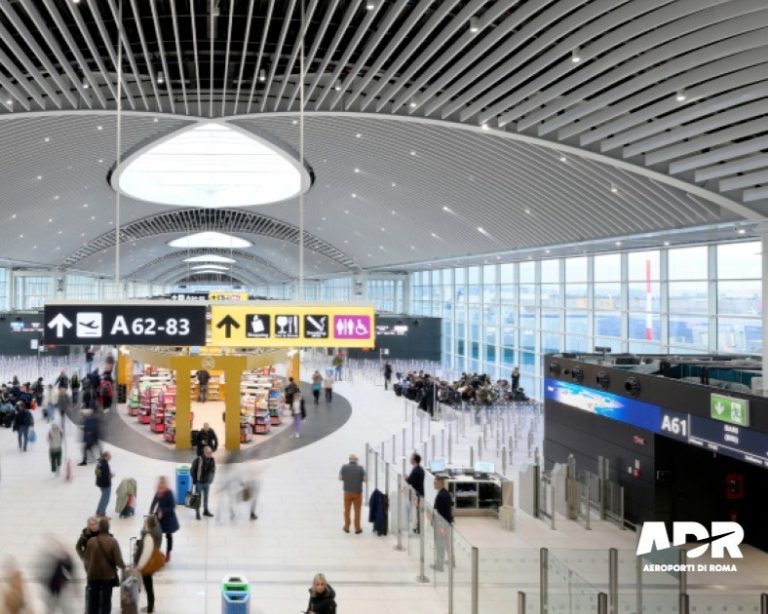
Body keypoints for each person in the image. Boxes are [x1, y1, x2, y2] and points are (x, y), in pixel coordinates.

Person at [83, 517, 125, 614]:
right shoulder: (113, 542)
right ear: (108, 528)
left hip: (93, 576)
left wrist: (88, 571)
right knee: (106, 601)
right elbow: (118, 560)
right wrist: (124, 567)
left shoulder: (91, 541)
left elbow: (86, 560)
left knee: (93, 602)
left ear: (100, 528)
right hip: (107, 577)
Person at [135, 515, 163, 613]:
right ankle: (150, 606)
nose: (143, 523)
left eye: (145, 522)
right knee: (149, 586)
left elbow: (146, 553)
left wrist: (139, 567)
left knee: (148, 587)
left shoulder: (148, 536)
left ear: (148, 524)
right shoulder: (155, 531)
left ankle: (150, 608)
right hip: (150, 562)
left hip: (147, 564)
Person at [149, 476, 180, 562]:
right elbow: (153, 503)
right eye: (160, 483)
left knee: (168, 536)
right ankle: (157, 552)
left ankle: (168, 552)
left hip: (169, 518)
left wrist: (162, 510)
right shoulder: (158, 492)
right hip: (159, 517)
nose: (161, 485)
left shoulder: (169, 492)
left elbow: (173, 506)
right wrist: (150, 513)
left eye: (163, 483)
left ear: (165, 484)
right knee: (157, 535)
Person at [338, 453, 366, 534]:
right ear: (356, 460)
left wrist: (346, 478)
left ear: (349, 460)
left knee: (347, 510)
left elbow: (340, 478)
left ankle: (346, 527)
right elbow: (365, 479)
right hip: (357, 493)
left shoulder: (344, 467)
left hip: (347, 492)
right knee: (357, 511)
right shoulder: (361, 468)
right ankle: (357, 528)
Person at [431, 476, 454, 572]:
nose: (434, 484)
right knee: (447, 543)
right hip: (447, 523)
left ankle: (439, 565)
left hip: (441, 524)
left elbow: (438, 512)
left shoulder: (440, 496)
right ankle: (452, 561)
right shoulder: (446, 493)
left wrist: (434, 522)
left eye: (435, 483)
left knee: (440, 544)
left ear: (441, 483)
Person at [191, 446, 216, 520]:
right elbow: (192, 470)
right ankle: (197, 513)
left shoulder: (212, 460)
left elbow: (213, 470)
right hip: (199, 483)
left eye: (211, 452)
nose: (210, 454)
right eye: (209, 452)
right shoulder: (198, 460)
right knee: (198, 498)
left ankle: (205, 510)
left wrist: (211, 480)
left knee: (206, 498)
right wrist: (195, 480)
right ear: (204, 452)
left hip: (207, 483)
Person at [406, 453, 425, 533]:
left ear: (414, 460)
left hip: (416, 494)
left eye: (411, 458)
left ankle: (417, 528)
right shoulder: (420, 469)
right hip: (419, 493)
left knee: (416, 511)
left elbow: (409, 481)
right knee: (417, 511)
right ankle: (417, 527)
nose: (410, 460)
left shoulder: (416, 470)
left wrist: (406, 478)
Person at [95, 451, 114, 518]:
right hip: (105, 484)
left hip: (100, 483)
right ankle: (102, 514)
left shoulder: (99, 462)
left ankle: (98, 512)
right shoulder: (105, 464)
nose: (110, 458)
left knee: (103, 498)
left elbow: (97, 473)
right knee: (105, 499)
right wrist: (112, 475)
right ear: (106, 456)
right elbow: (107, 475)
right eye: (110, 456)